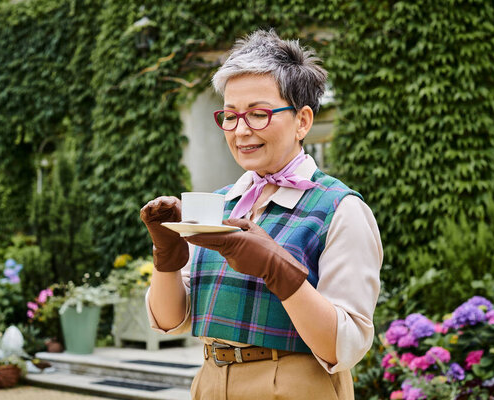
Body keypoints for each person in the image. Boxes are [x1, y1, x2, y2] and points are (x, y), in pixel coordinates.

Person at [140, 29, 383, 400]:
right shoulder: (219, 205)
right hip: (209, 381)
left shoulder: (340, 208)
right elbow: (169, 320)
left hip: (294, 385)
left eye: (258, 114)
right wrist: (167, 253)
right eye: (231, 116)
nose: (241, 131)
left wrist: (279, 271)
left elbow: (345, 346)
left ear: (302, 121)